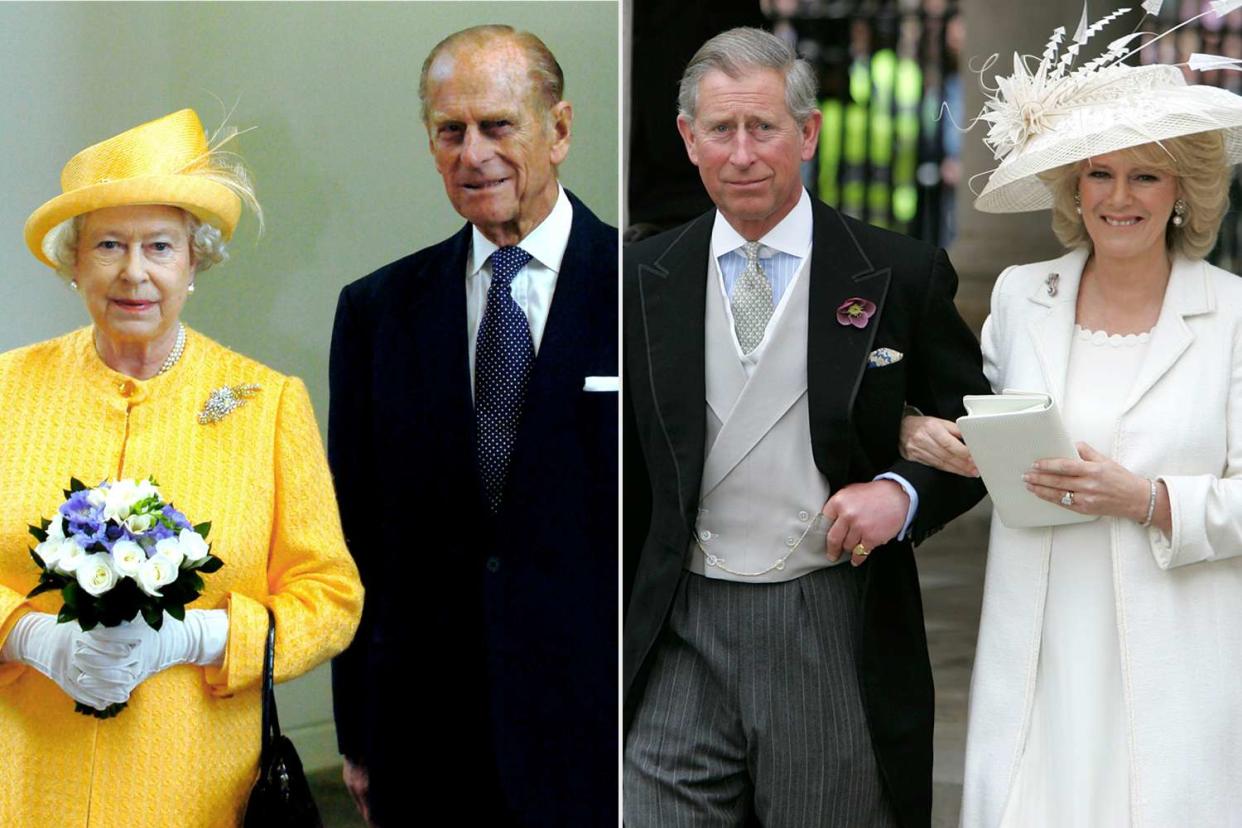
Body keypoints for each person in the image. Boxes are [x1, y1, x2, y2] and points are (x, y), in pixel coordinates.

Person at [623, 27, 990, 827]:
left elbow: (979, 434)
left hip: (827, 618)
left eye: (765, 128)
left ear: (810, 133)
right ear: (688, 140)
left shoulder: (899, 272)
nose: (744, 152)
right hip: (678, 620)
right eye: (721, 130)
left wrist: (901, 494)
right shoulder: (639, 279)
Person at [899, 9, 1242, 824]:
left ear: (1185, 193)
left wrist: (1147, 498)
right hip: (1042, 641)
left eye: (1145, 176)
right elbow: (982, 431)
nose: (1118, 198)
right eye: (1098, 174)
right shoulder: (1022, 297)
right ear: (1072, 189)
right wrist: (926, 436)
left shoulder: (1232, 317)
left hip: (1178, 653)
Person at [0, 108, 363, 825]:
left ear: (195, 262)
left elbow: (331, 599)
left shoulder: (268, 403)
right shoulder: (7, 390)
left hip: (199, 788)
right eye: (108, 245)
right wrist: (25, 636)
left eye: (159, 246)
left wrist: (202, 636)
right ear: (74, 262)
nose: (134, 272)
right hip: (25, 780)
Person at [328, 25, 617, 827]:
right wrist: (359, 730)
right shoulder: (376, 312)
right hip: (425, 741)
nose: (472, 153)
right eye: (449, 132)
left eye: (497, 126)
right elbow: (357, 536)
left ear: (558, 130)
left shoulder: (646, 294)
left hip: (600, 734)